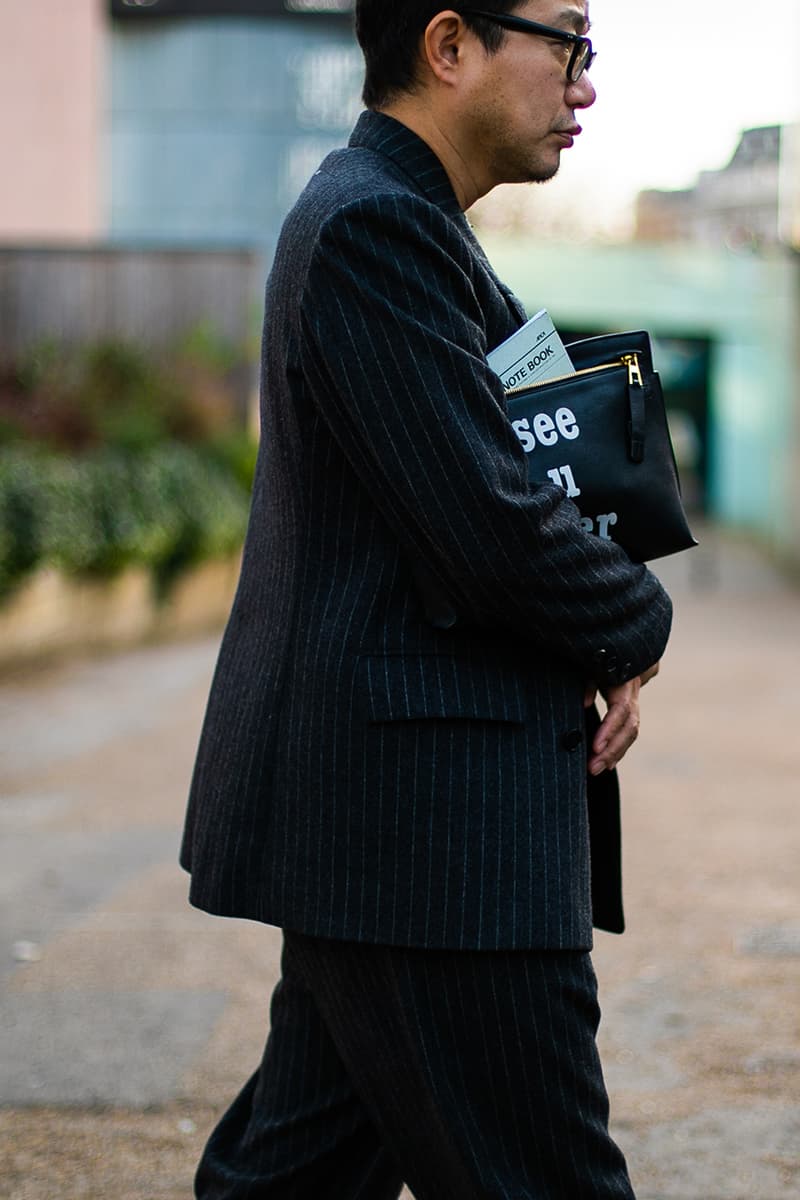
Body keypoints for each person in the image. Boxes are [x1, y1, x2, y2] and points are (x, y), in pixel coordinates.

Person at [180, 2, 673, 1196]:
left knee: (293, 1176)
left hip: (390, 827)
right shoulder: (371, 230)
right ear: (449, 46)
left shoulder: (403, 224)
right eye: (567, 46)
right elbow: (490, 525)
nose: (584, 86)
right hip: (432, 839)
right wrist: (632, 622)